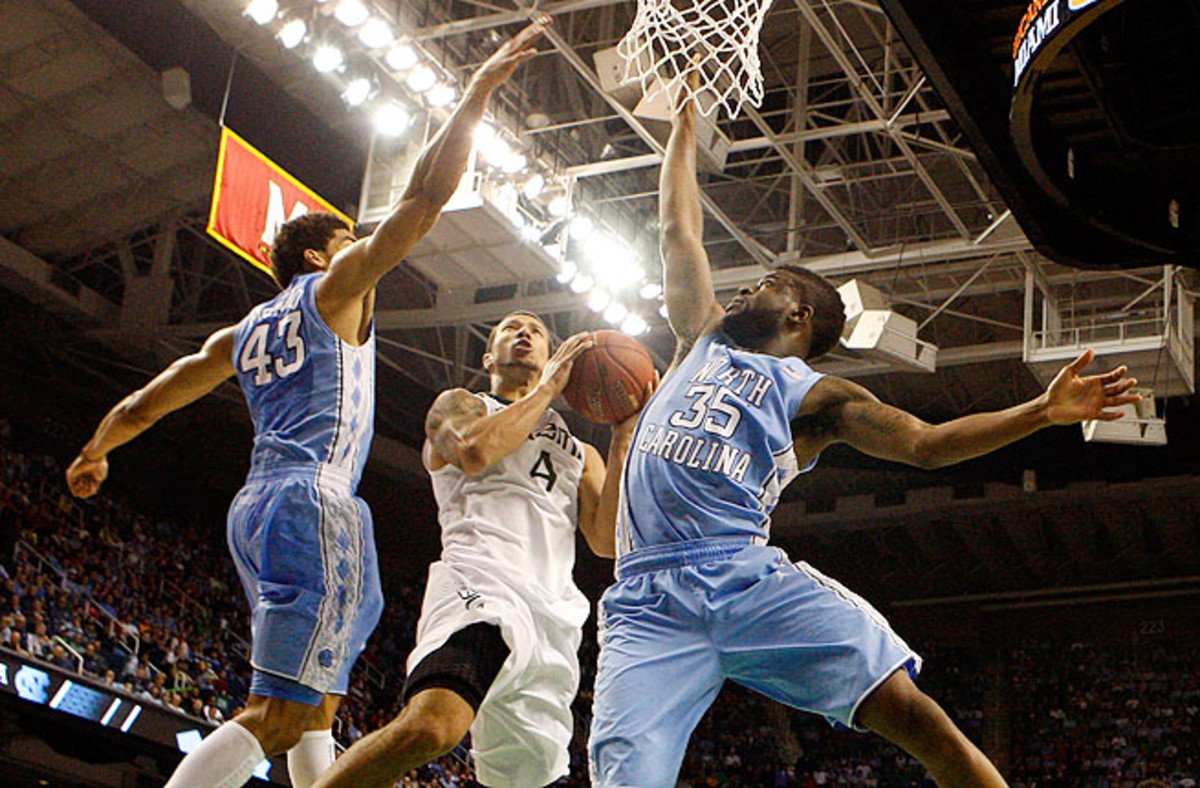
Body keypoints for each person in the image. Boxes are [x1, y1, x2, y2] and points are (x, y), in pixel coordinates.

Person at [586, 85, 1142, 787]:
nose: (742, 291)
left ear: (797, 316)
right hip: (644, 601)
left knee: (915, 716)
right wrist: (685, 131)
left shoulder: (818, 400)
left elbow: (926, 444)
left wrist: (1040, 411)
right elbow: (678, 231)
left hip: (742, 576)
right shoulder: (701, 339)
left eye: (762, 284)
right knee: (621, 780)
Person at [64, 21, 548, 788]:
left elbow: (145, 405)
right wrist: (477, 94)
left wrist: (97, 451)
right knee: (281, 712)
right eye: (352, 239)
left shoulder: (235, 336)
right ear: (322, 257)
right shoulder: (335, 291)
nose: (366, 251)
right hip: (315, 501)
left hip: (255, 509)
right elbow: (425, 197)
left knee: (317, 701)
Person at [312, 309, 641, 788]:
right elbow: (472, 452)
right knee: (431, 727)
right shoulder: (461, 405)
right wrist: (548, 389)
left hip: (553, 621)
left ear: (552, 353)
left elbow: (606, 541)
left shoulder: (580, 453)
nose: (525, 333)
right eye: (511, 328)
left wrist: (622, 435)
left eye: (536, 331)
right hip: (480, 584)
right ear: (490, 356)